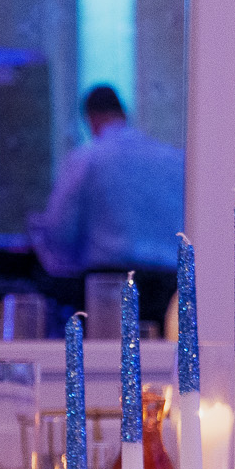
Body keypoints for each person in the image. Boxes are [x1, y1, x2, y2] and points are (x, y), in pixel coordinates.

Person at [31, 85, 184, 323]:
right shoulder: (173, 159)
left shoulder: (87, 159)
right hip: (170, 287)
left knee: (106, 345)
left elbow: (60, 232)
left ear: (91, 119)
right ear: (124, 114)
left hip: (109, 288)